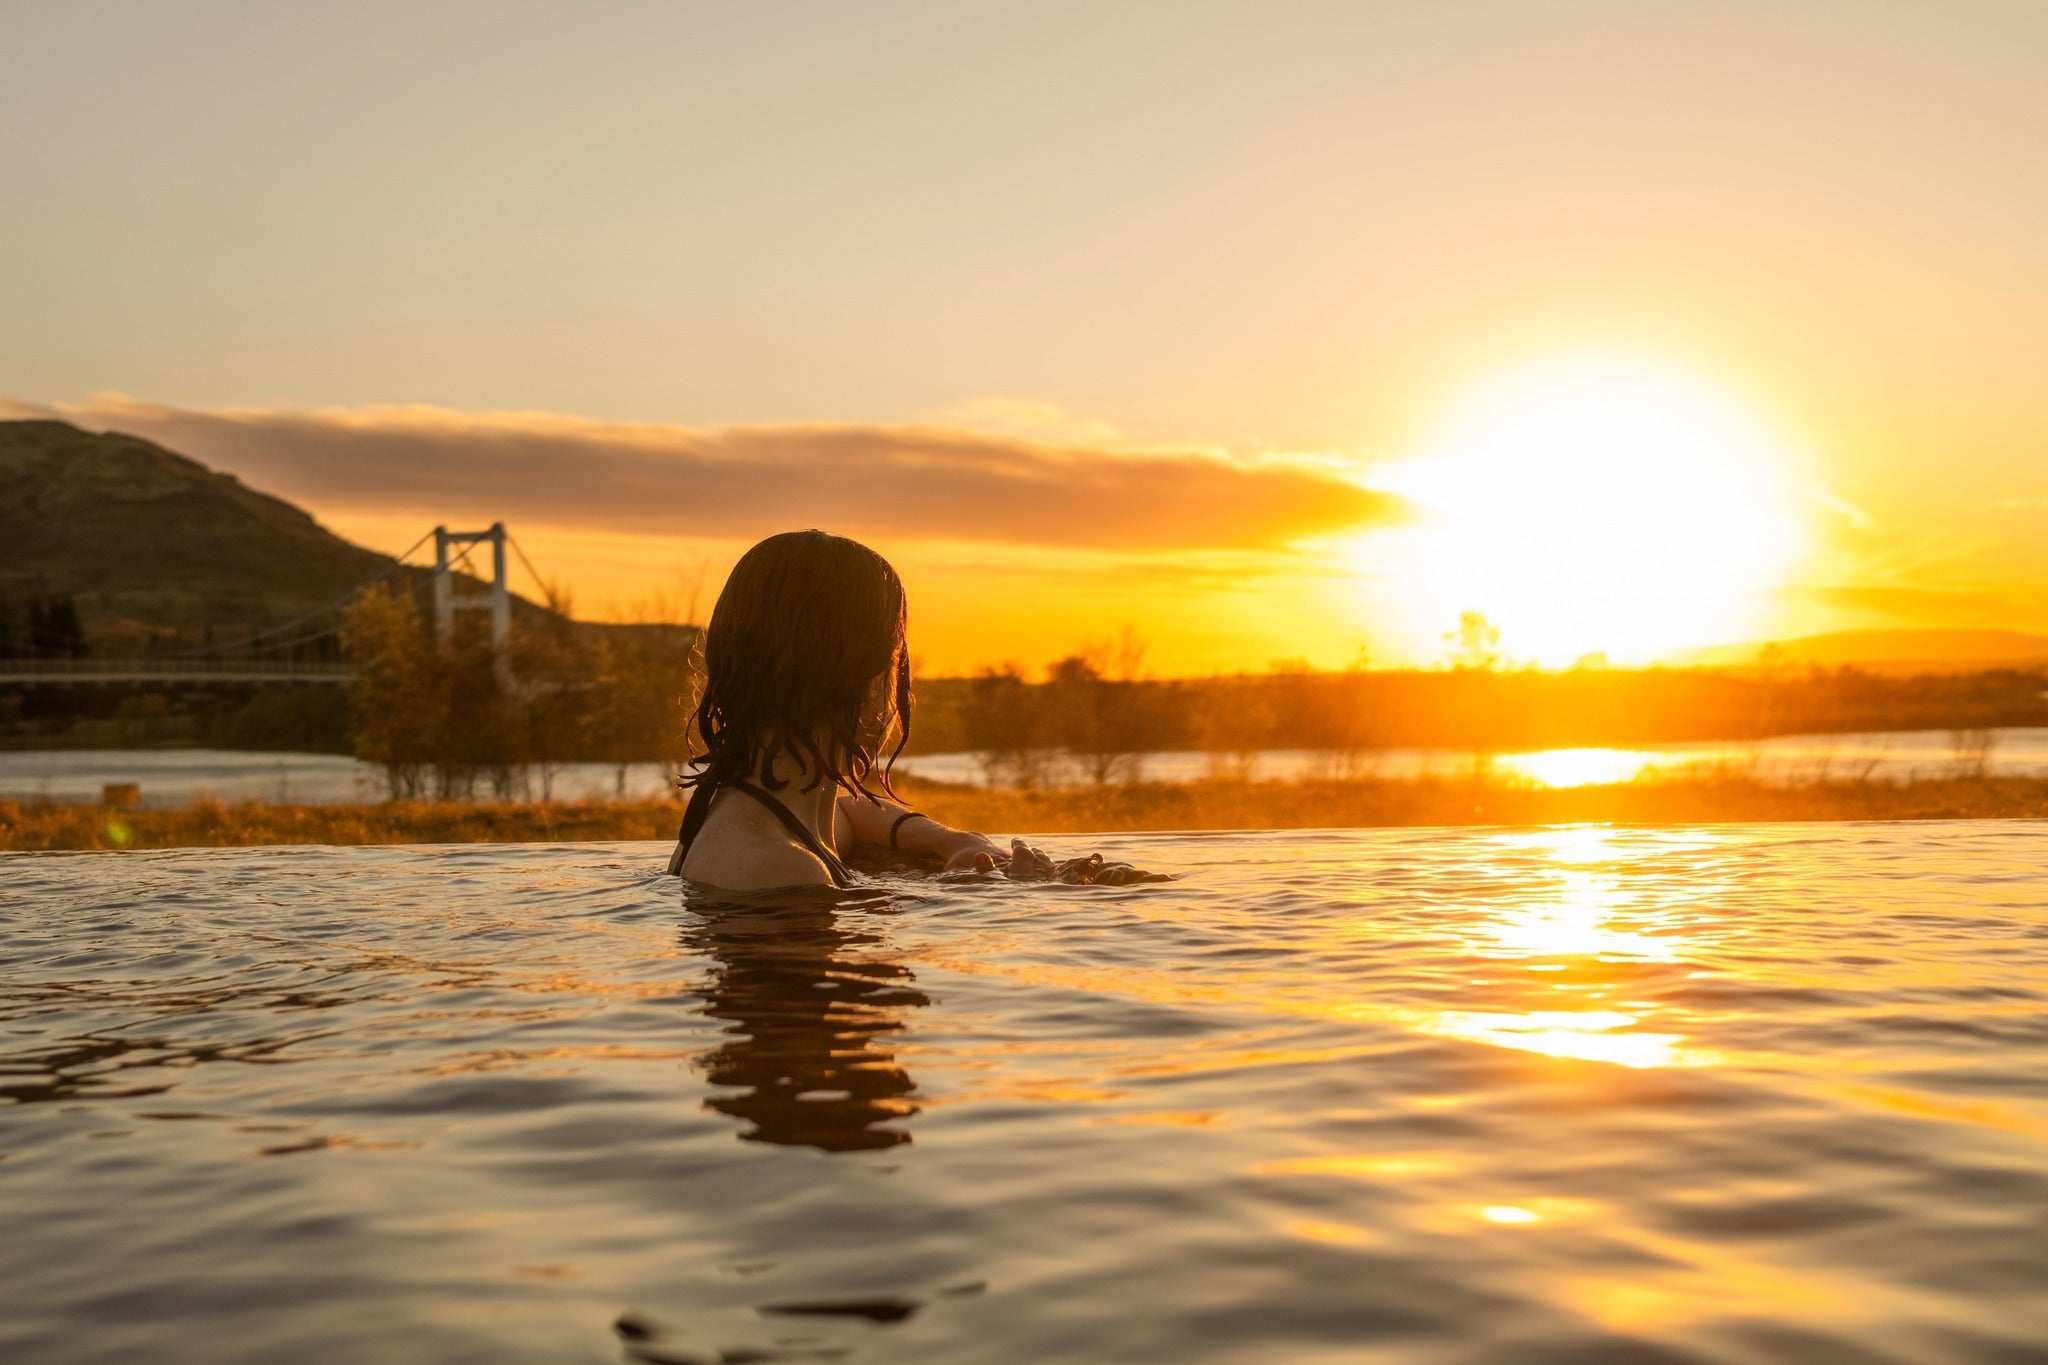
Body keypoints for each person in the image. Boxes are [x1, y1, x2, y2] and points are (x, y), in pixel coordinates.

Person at [668, 529, 1061, 890]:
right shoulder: (783, 869)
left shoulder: (762, 816)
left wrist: (954, 841)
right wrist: (967, 896)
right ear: (867, 679)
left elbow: (850, 813)